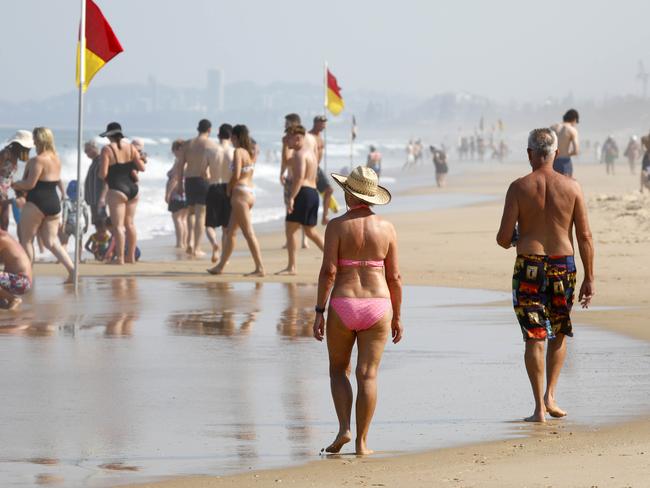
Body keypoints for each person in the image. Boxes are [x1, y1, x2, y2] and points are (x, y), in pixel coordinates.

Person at [496, 128, 594, 423]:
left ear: (529, 154)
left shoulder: (518, 187)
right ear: (555, 154)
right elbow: (585, 236)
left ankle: (539, 407)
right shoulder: (573, 187)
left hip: (529, 264)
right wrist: (590, 277)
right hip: (563, 264)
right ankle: (551, 395)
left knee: (534, 337)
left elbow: (502, 238)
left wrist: (517, 237)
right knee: (559, 331)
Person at [313, 165, 402, 455]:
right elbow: (395, 278)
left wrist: (319, 311)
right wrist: (398, 316)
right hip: (378, 305)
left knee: (339, 370)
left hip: (343, 303)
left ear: (349, 194)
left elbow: (328, 271)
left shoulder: (337, 226)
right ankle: (363, 444)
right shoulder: (387, 228)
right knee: (368, 375)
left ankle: (344, 429)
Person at [12, 127, 75, 283]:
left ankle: (27, 276)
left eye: (34, 139)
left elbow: (29, 184)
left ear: (39, 140)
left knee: (27, 240)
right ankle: (73, 271)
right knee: (51, 242)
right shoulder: (56, 158)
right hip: (53, 203)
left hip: (36, 202)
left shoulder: (38, 160)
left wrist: (14, 184)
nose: (33, 142)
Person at [207, 124, 265, 277]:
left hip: (240, 194)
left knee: (248, 233)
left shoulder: (239, 151)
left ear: (236, 137)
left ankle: (260, 267)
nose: (231, 140)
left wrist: (228, 189)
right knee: (231, 232)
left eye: (232, 137)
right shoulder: (248, 153)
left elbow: (236, 174)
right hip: (249, 192)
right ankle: (220, 266)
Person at [278, 125, 324, 275]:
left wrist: (291, 198)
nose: (287, 141)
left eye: (289, 138)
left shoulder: (299, 154)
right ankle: (335, 259)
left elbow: (299, 178)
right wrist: (285, 145)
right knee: (310, 232)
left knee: (290, 230)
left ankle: (292, 267)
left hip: (302, 193)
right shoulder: (310, 153)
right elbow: (286, 162)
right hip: (313, 193)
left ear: (297, 138)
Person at [98, 122, 145, 265]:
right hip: (133, 189)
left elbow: (103, 174)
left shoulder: (107, 149)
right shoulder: (131, 147)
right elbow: (141, 168)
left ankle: (120, 258)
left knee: (118, 226)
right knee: (130, 224)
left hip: (117, 189)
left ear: (109, 136)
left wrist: (101, 173)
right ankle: (130, 257)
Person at [175, 119, 216, 257]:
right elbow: (214, 166)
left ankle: (190, 241)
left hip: (189, 181)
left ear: (197, 128)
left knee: (190, 212)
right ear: (209, 130)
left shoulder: (187, 144)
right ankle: (197, 248)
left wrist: (180, 184)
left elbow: (180, 166)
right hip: (203, 181)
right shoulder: (210, 144)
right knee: (201, 215)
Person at [205, 124, 234, 262]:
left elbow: (203, 173)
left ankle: (214, 245)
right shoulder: (234, 152)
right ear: (231, 136)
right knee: (226, 226)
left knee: (209, 224)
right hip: (229, 188)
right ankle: (225, 257)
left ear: (218, 135)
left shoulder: (210, 150)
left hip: (214, 186)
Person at [280, 113, 309, 249]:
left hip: (296, 178)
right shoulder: (301, 139)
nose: (285, 126)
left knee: (293, 209)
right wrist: (281, 172)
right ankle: (299, 240)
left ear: (294, 123)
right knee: (295, 209)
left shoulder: (292, 140)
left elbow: (287, 159)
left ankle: (298, 239)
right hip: (297, 177)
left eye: (287, 124)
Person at [0, 131, 33, 231]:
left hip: (4, 191)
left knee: (4, 224)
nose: (28, 150)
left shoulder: (15, 156)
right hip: (0, 191)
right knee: (4, 221)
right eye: (27, 148)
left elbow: (8, 176)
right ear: (19, 145)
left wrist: (16, 187)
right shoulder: (6, 153)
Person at [309, 115, 336, 225]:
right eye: (322, 123)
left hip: (317, 167)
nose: (324, 125)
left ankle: (324, 217)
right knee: (312, 194)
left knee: (329, 190)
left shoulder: (320, 137)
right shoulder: (309, 136)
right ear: (316, 123)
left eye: (325, 123)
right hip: (310, 167)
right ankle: (310, 217)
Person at [0, 229, 32, 310]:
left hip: (22, 282)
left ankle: (13, 299)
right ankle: (5, 301)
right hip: (16, 281)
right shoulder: (4, 235)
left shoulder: (2, 237)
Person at [166, 140, 189, 250]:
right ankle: (183, 242)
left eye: (173, 150)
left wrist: (168, 194)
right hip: (186, 193)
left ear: (177, 149)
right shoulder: (188, 160)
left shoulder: (179, 161)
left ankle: (180, 243)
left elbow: (174, 179)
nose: (172, 152)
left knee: (177, 219)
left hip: (177, 194)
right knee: (183, 219)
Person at [59, 180, 90, 260]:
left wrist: (64, 224)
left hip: (69, 223)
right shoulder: (82, 202)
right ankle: (78, 259)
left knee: (64, 242)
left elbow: (65, 214)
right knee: (79, 243)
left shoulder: (67, 202)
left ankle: (62, 259)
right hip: (79, 224)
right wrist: (87, 225)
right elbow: (86, 215)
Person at [83, 140, 107, 228]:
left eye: (87, 150)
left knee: (103, 222)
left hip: (99, 199)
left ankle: (113, 240)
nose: (86, 153)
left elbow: (106, 180)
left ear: (94, 148)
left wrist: (102, 197)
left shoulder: (101, 161)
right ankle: (103, 241)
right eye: (85, 151)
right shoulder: (94, 162)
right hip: (93, 199)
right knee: (97, 222)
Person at [553, 109, 580, 177]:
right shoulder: (572, 130)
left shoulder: (552, 127)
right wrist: (567, 154)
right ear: (574, 119)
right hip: (564, 162)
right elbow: (576, 151)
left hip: (552, 161)